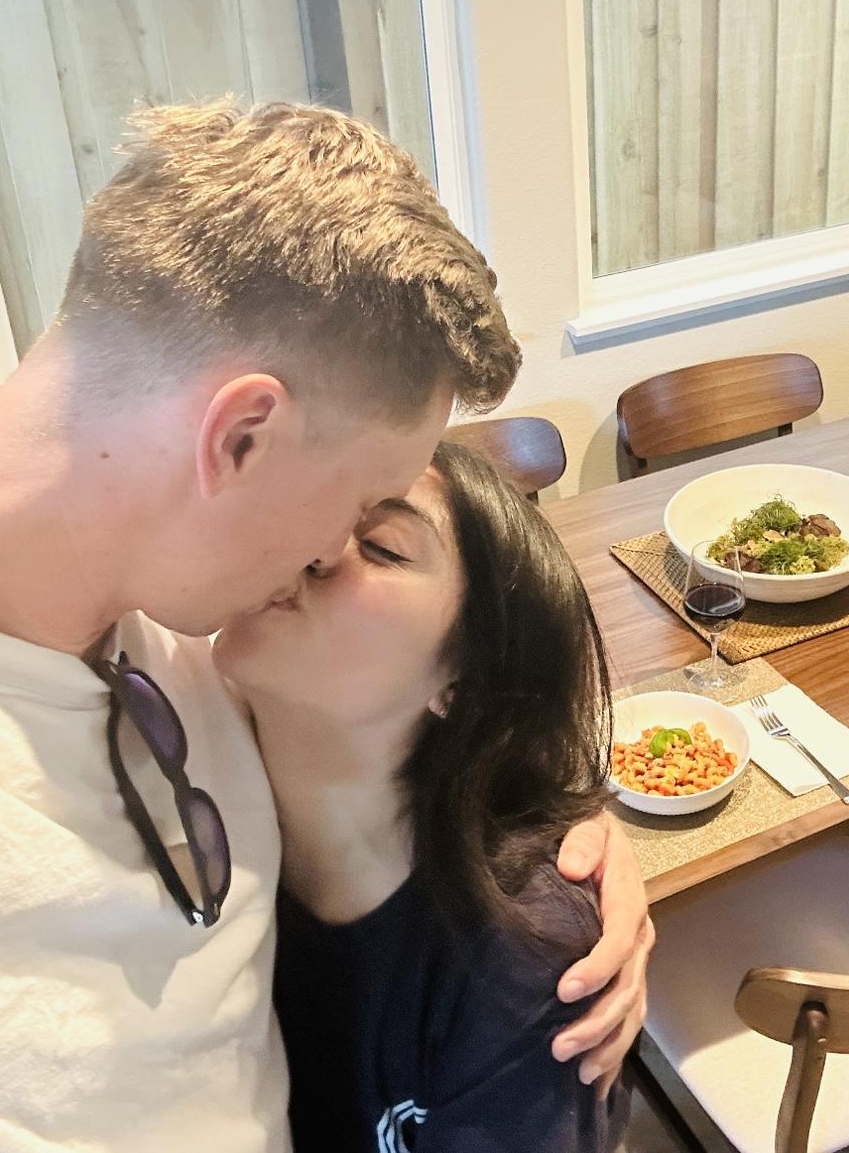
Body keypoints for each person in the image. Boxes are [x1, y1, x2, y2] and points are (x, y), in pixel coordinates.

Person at [0, 103, 651, 1151]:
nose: (327, 553)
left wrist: (582, 871)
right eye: (359, 500)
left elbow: (470, 722)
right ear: (240, 437)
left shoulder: (199, 638)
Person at [219, 441, 628, 1150]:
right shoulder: (176, 783)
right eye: (317, 508)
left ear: (463, 681)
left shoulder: (515, 957)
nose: (312, 542)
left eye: (381, 546)